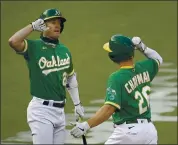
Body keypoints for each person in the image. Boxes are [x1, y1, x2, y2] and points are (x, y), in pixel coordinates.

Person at [8, 8, 84, 144]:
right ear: (42, 25)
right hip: (41, 111)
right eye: (52, 22)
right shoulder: (33, 47)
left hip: (60, 112)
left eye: (59, 23)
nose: (57, 25)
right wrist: (32, 26)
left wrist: (77, 104)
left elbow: (71, 78)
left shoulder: (64, 50)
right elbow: (13, 41)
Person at [70, 34, 163, 144]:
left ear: (113, 55)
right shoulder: (144, 68)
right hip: (149, 131)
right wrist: (142, 47)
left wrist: (86, 125)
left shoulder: (117, 77)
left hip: (128, 133)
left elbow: (109, 108)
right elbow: (157, 58)